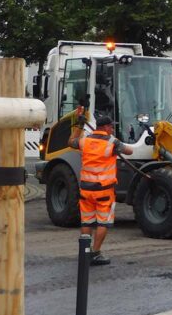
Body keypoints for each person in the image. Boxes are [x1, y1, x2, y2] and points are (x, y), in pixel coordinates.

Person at [68, 108, 133, 266]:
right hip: (104, 190)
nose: (112, 129)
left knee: (87, 222)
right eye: (111, 127)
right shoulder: (112, 142)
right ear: (105, 128)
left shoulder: (85, 141)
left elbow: (71, 142)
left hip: (86, 190)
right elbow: (129, 151)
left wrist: (79, 125)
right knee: (102, 223)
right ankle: (95, 253)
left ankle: (85, 252)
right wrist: (114, 142)